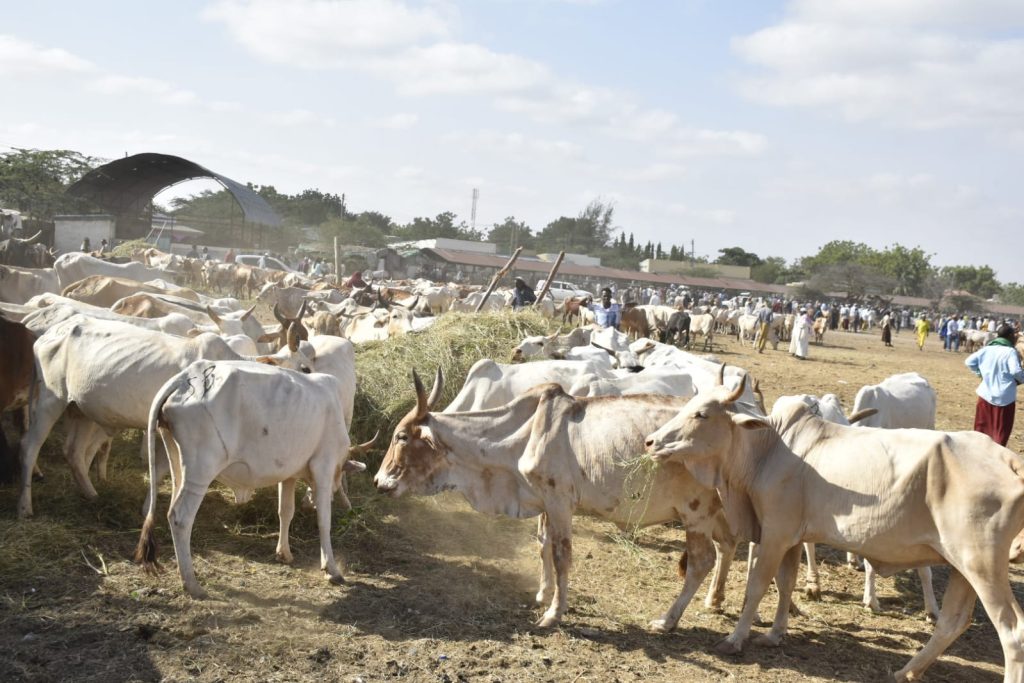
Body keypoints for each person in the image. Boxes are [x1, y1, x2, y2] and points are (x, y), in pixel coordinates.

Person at [965, 324, 1024, 446]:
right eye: (1013, 335)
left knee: (981, 430)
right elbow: (1016, 371)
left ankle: (978, 455)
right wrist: (1021, 380)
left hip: (985, 394)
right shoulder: (1010, 352)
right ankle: (995, 458)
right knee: (1000, 432)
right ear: (1009, 336)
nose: (1015, 338)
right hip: (1005, 398)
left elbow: (969, 361)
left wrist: (980, 373)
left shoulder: (987, 349)